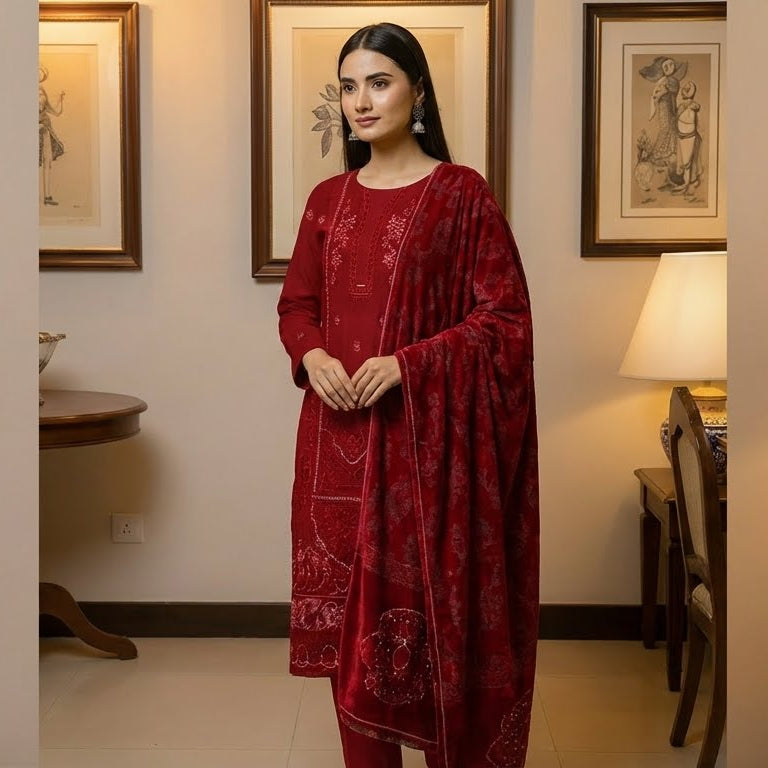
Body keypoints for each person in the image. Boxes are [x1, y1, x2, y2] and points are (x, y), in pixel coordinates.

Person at [278, 22, 539, 768]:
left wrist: (410, 365)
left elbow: (504, 320)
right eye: (348, 87)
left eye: (379, 82)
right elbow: (297, 306)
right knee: (350, 650)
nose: (361, 101)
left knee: (432, 631)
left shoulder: (461, 195)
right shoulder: (327, 199)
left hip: (430, 461)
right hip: (336, 449)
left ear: (417, 92)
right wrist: (313, 354)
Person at [39, 65, 66, 207]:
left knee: (47, 163)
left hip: (45, 132)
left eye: (41, 94)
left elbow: (56, 112)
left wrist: (61, 99)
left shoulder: (42, 94)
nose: (40, 97)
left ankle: (47, 197)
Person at [672, 80, 703, 196]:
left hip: (689, 136)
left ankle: (687, 183)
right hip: (682, 135)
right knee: (685, 161)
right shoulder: (684, 105)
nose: (682, 92)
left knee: (687, 161)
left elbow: (696, 111)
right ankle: (686, 181)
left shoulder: (692, 105)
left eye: (685, 90)